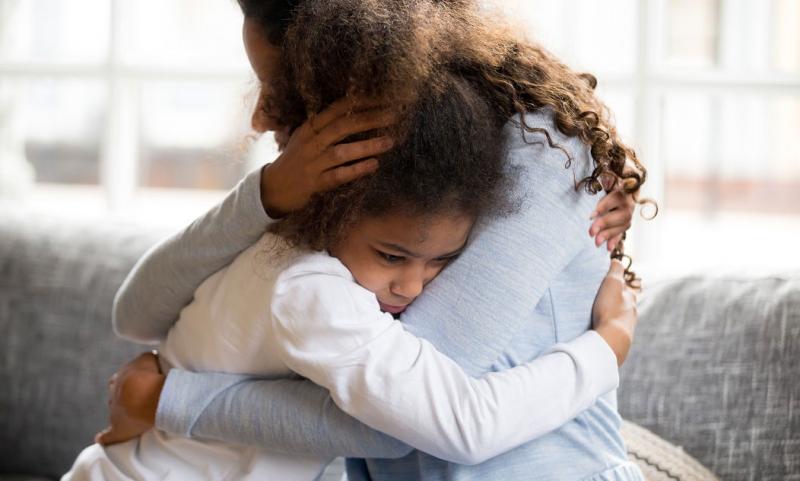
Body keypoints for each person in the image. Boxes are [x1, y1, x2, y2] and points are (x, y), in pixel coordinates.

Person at [98, 1, 646, 480]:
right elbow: (136, 313)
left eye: (278, 83)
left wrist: (169, 399)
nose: (261, 116)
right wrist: (263, 195)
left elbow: (409, 421)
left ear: (351, 53)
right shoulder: (353, 178)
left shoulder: (543, 150)